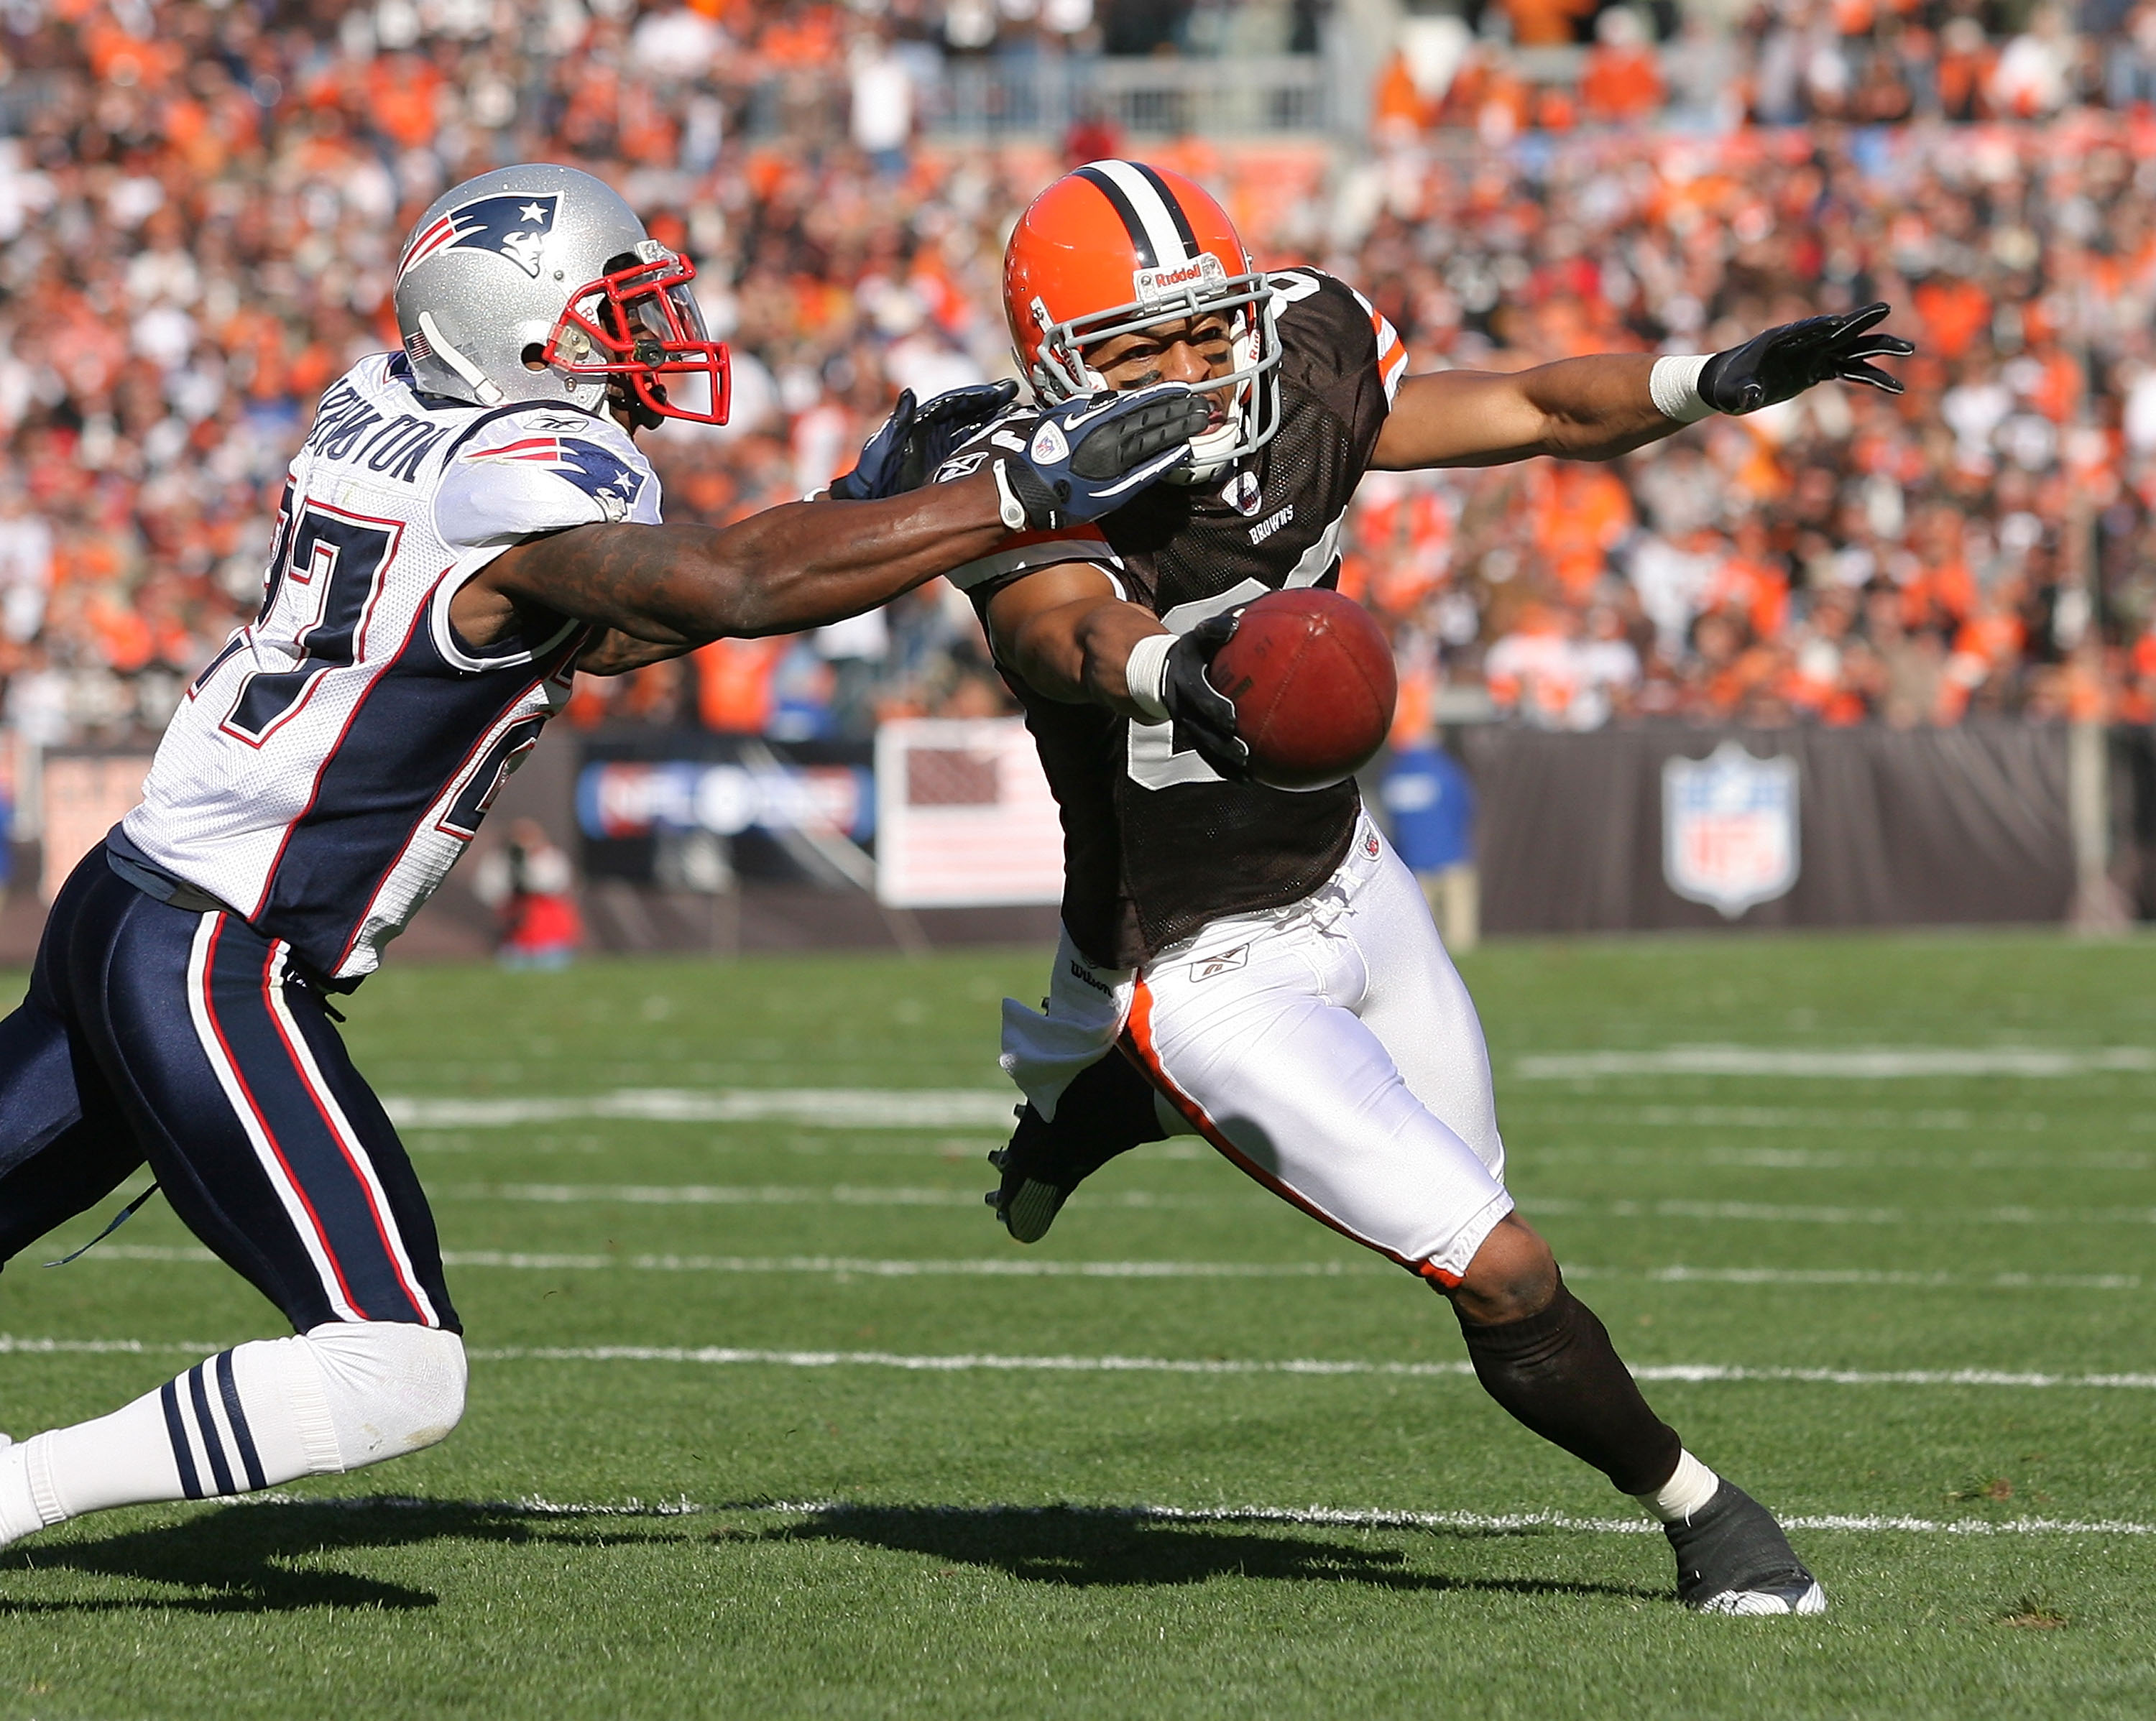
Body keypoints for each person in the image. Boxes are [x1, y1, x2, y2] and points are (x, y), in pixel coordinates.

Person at [0, 163, 1204, 1551]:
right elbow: (728, 588)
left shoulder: (384, 404)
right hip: (215, 953)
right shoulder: (514, 476)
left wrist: (861, 500)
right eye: (606, 312)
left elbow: (622, 616)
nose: (643, 338)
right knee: (389, 1365)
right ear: (513, 335)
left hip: (125, 897)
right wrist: (1022, 492)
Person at [924, 160, 1909, 1614]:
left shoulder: (1312, 360)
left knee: (1489, 1212)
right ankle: (1708, 1516)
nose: (1198, 375)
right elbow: (1061, 627)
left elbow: (1533, 406)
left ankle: (1099, 1111)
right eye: (1144, 351)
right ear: (1060, 366)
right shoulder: (1021, 476)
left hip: (1351, 871)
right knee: (1504, 1271)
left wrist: (1712, 378)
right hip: (1195, 957)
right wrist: (1156, 664)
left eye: (1212, 331)